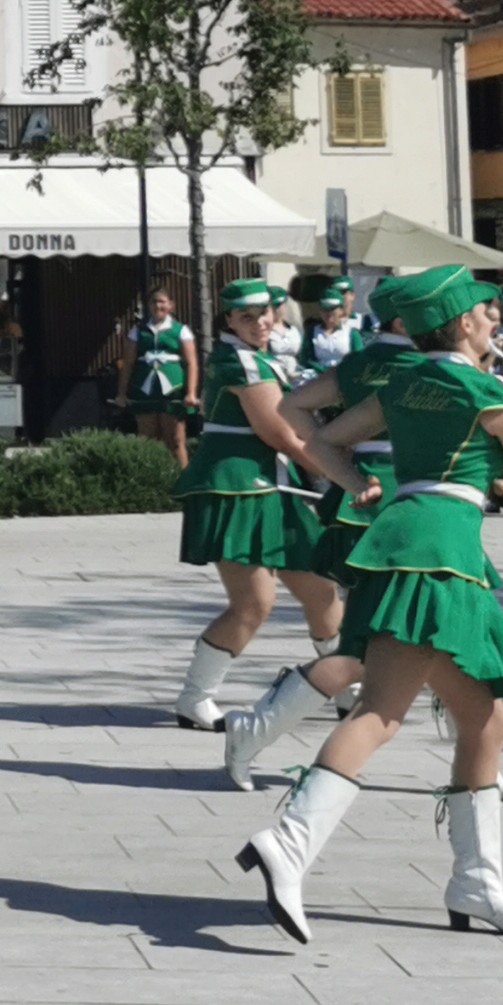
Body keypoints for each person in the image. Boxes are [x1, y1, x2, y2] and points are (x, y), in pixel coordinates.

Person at [240, 264, 503, 944]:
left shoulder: (403, 382)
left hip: (400, 542)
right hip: (442, 555)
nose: (494, 320)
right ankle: (288, 843)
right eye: (486, 313)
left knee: (484, 721)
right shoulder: (489, 388)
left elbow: (322, 437)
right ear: (463, 323)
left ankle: (477, 884)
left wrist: (357, 484)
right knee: (380, 712)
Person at [171, 275, 340, 729]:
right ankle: (195, 697)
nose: (259, 322)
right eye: (246, 317)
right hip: (238, 489)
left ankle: (346, 687)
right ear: (228, 319)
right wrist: (341, 475)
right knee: (253, 602)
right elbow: (279, 434)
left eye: (263, 312)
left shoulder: (256, 357)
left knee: (321, 590)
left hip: (271, 487)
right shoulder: (241, 363)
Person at [118, 287, 197, 465]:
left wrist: (190, 392)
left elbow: (191, 362)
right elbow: (128, 363)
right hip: (144, 390)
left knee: (175, 439)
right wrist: (121, 393)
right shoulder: (138, 331)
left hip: (173, 391)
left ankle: (182, 478)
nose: (157, 305)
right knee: (147, 439)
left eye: (162, 301)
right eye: (153, 301)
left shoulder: (181, 330)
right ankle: (149, 478)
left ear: (171, 305)